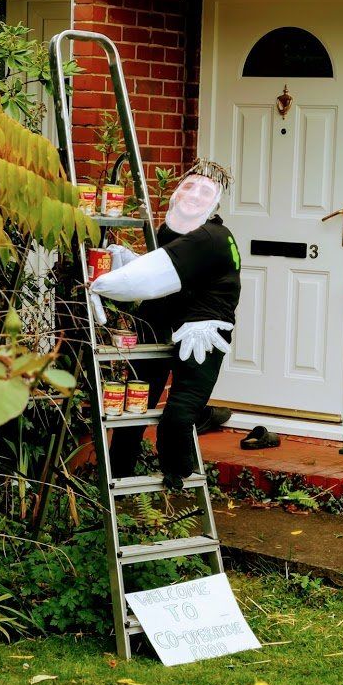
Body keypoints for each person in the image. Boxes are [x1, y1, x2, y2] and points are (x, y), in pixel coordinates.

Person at [90, 159, 241, 489]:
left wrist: (107, 283)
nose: (193, 194)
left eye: (205, 190)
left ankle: (176, 472)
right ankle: (119, 475)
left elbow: (157, 275)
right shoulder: (174, 232)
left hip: (201, 332)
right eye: (188, 186)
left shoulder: (210, 238)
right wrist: (125, 263)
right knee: (136, 402)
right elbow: (159, 268)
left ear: (215, 202)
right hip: (161, 318)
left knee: (180, 411)